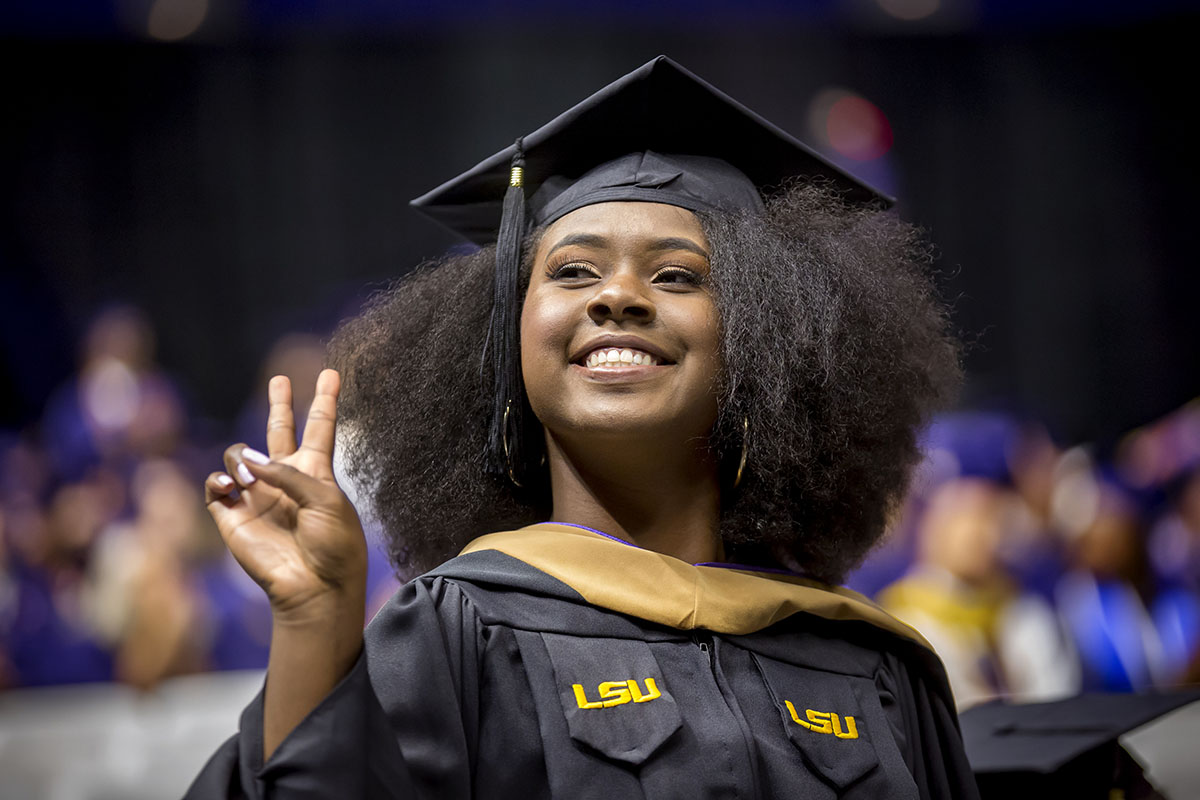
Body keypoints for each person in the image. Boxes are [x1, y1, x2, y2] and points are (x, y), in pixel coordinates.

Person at [186, 57, 976, 798]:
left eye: (677, 275)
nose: (617, 296)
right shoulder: (456, 633)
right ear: (507, 342)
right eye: (572, 271)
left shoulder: (871, 664)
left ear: (767, 339)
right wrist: (314, 619)